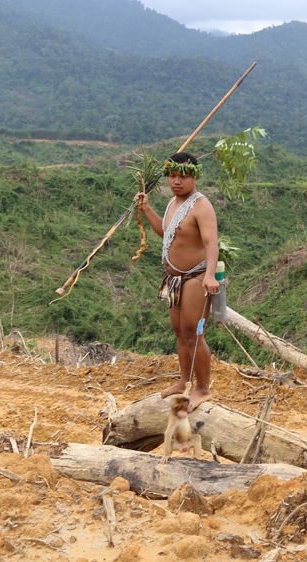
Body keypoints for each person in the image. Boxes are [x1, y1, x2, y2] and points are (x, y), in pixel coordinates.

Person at [134, 152, 219, 411]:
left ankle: (202, 389)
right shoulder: (173, 203)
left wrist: (210, 275)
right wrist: (146, 208)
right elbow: (167, 234)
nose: (176, 181)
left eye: (182, 176)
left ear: (194, 176)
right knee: (180, 333)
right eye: (171, 176)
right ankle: (183, 381)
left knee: (194, 334)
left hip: (195, 276)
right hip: (174, 279)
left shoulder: (201, 205)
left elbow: (210, 243)